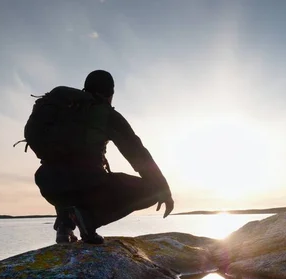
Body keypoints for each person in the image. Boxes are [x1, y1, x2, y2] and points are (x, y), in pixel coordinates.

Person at [24, 70, 174, 244]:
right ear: (110, 93)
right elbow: (138, 155)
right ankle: (89, 220)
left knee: (65, 169)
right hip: (87, 183)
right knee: (153, 190)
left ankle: (65, 228)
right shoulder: (107, 115)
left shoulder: (63, 106)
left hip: (47, 182)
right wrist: (164, 190)